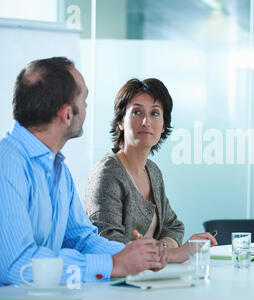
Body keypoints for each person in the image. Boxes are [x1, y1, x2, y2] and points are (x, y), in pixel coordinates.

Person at [0, 57, 168, 286]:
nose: (88, 107)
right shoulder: (6, 165)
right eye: (84, 99)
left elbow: (81, 239)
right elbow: (17, 265)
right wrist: (113, 264)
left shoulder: (58, 170)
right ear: (67, 114)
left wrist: (134, 256)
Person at [85, 78, 217, 263]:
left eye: (155, 113)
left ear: (163, 126)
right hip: (117, 284)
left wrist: (160, 250)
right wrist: (172, 254)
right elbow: (108, 243)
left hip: (149, 279)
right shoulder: (108, 172)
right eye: (137, 112)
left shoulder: (152, 171)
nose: (146, 121)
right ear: (120, 122)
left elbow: (173, 227)